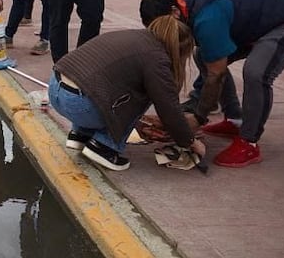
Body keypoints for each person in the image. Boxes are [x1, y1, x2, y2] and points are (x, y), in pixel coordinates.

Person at [140, 0, 284, 168]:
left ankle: (249, 142)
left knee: (256, 72)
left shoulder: (208, 17)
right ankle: (235, 120)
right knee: (203, 56)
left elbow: (216, 75)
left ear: (174, 13)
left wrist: (198, 118)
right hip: (255, 24)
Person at [47, 15, 205, 171]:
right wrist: (190, 141)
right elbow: (168, 108)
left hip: (55, 89)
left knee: (107, 86)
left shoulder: (133, 36)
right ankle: (105, 147)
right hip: (81, 105)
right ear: (178, 50)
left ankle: (81, 134)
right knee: (142, 95)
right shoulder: (157, 59)